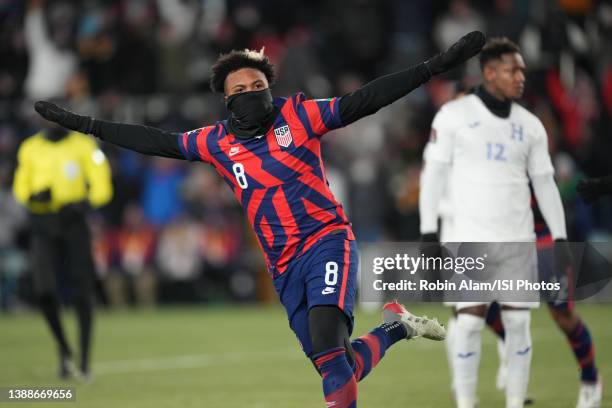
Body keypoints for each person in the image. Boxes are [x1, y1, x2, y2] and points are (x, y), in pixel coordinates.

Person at [33, 31, 485, 407]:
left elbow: (364, 100)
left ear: (270, 87)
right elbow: (155, 140)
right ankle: (397, 327)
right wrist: (87, 124)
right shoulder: (214, 142)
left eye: (257, 86)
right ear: (226, 102)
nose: (251, 94)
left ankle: (391, 330)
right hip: (282, 262)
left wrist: (432, 67)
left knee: (329, 346)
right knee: (337, 363)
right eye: (240, 91)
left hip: (326, 239)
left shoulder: (300, 115)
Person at [419, 37, 571, 408]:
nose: (521, 77)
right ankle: (466, 404)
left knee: (518, 325)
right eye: (512, 69)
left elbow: (545, 183)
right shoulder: (454, 116)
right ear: (489, 73)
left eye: (522, 69)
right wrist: (428, 231)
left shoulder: (531, 125)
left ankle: (516, 402)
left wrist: (561, 236)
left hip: (517, 239)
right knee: (469, 323)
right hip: (467, 237)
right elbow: (433, 175)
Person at [12, 118, 113, 380]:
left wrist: (85, 203)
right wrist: (32, 197)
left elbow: (102, 184)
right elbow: (21, 186)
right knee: (44, 289)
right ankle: (64, 350)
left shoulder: (84, 145)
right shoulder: (30, 147)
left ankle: (84, 362)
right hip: (44, 225)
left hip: (74, 225)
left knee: (82, 290)